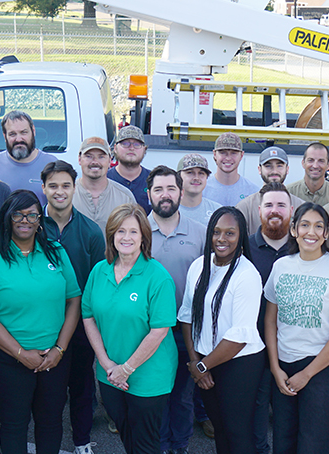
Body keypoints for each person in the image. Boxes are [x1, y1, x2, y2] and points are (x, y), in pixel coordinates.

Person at [0, 190, 82, 454]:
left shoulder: (55, 252)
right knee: (14, 423)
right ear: (7, 218)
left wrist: (60, 349)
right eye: (18, 214)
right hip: (6, 358)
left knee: (51, 420)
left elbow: (74, 300)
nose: (25, 220)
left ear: (40, 220)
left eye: (32, 214)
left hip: (53, 356)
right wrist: (20, 353)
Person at [263, 203, 329, 454]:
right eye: (305, 224)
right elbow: (271, 320)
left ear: (326, 233)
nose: (312, 232)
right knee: (283, 438)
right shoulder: (281, 266)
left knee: (314, 443)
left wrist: (306, 374)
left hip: (322, 371)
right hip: (284, 365)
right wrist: (275, 367)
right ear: (294, 229)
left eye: (319, 226)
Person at [82, 204, 179, 454]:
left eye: (134, 232)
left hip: (148, 376)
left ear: (144, 237)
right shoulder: (99, 271)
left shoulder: (157, 277)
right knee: (127, 436)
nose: (126, 238)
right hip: (110, 373)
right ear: (111, 235)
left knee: (146, 444)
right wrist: (106, 364)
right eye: (120, 231)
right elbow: (88, 316)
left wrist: (126, 369)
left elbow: (159, 331)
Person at [178, 207, 265, 454]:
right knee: (220, 428)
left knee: (238, 432)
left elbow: (239, 336)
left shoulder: (247, 274)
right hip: (205, 360)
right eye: (216, 232)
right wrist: (196, 362)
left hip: (240, 364)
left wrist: (202, 367)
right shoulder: (198, 266)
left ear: (241, 237)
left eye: (230, 233)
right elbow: (187, 315)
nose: (221, 239)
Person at [41, 160, 108, 454]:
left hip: (80, 325)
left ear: (74, 187)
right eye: (53, 185)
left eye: (65, 185)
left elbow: (95, 282)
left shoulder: (91, 231)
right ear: (43, 188)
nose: (59, 192)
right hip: (41, 323)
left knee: (80, 388)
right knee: (48, 392)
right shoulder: (32, 226)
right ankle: (47, 441)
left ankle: (81, 441)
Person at [146, 165, 207, 454]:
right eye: (158, 189)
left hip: (186, 328)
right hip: (149, 330)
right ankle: (158, 446)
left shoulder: (200, 233)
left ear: (181, 192)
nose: (165, 195)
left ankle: (179, 446)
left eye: (171, 188)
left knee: (182, 395)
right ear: (149, 195)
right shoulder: (138, 232)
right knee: (156, 393)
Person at [245, 182, 298, 454]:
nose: (274, 211)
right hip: (252, 345)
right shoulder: (244, 250)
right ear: (259, 211)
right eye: (268, 205)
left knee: (287, 410)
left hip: (293, 346)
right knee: (255, 407)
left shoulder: (304, 249)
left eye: (280, 205)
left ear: (291, 210)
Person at [0, 111, 57, 203]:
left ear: (33, 131)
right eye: (12, 134)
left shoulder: (51, 164)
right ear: (4, 136)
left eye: (24, 132)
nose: (18, 139)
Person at [74, 137, 135, 234]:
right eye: (89, 156)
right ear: (79, 159)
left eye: (101, 157)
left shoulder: (125, 198)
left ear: (110, 160)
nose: (95, 162)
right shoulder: (67, 195)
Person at [237, 147, 304, 231]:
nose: (274, 171)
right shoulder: (245, 207)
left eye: (279, 166)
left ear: (287, 169)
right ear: (259, 169)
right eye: (268, 166)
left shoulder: (300, 207)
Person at [203, 133, 260, 208]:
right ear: (214, 154)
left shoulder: (253, 192)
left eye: (234, 153)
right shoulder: (202, 189)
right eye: (223, 153)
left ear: (241, 155)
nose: (228, 158)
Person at [108, 125, 152, 212]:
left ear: (144, 149)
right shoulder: (105, 180)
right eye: (125, 143)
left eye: (137, 144)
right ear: (115, 148)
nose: (131, 148)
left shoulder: (154, 180)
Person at [176, 154, 221, 227]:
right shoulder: (169, 210)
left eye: (201, 173)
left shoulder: (217, 211)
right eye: (190, 172)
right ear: (178, 177)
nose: (196, 178)